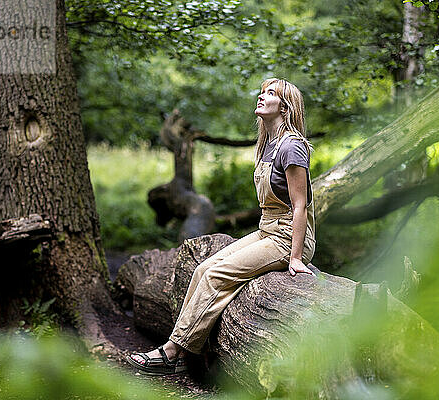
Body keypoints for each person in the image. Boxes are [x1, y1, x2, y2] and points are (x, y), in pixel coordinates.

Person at [127, 78, 316, 375]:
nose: (261, 96)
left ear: (285, 106)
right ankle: (186, 350)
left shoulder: (292, 147)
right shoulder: (269, 144)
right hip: (269, 229)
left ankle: (172, 352)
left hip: (286, 237)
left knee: (216, 275)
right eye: (262, 91)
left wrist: (294, 258)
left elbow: (300, 206)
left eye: (270, 93)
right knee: (203, 268)